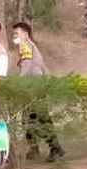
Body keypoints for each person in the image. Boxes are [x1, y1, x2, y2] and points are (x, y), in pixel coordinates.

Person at [13, 21, 64, 161]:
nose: (14, 36)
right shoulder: (29, 45)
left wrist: (19, 84)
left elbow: (27, 66)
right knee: (30, 119)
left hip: (34, 87)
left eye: (16, 33)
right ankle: (34, 148)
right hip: (36, 85)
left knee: (41, 118)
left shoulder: (25, 46)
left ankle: (56, 148)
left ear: (25, 33)